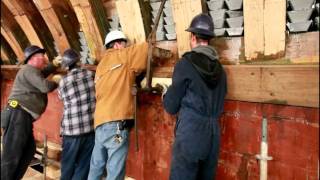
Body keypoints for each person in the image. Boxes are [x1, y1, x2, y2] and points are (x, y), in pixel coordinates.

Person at [161, 13, 227, 180]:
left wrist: (165, 94)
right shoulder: (221, 69)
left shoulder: (185, 64)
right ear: (209, 39)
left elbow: (171, 106)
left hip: (191, 132)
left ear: (192, 37)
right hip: (213, 135)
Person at [87, 30, 149, 180]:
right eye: (124, 44)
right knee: (115, 171)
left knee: (96, 167)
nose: (126, 47)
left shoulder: (101, 66)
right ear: (117, 44)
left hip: (100, 123)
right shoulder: (123, 55)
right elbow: (146, 47)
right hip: (116, 125)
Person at [1, 45, 61, 180]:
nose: (44, 59)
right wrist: (56, 82)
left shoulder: (31, 72)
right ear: (33, 58)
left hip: (21, 116)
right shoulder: (28, 70)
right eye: (42, 56)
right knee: (12, 155)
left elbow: (42, 74)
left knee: (28, 151)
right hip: (18, 115)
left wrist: (53, 65)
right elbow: (44, 86)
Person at [55, 49, 96, 180]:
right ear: (79, 62)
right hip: (89, 129)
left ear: (67, 66)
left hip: (71, 131)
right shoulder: (91, 75)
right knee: (84, 166)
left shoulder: (63, 81)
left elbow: (61, 97)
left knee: (67, 165)